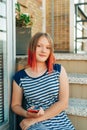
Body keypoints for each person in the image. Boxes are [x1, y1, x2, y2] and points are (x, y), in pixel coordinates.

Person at [11, 32, 75, 130]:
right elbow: (15, 105)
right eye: (39, 46)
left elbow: (63, 103)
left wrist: (34, 120)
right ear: (32, 48)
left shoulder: (58, 70)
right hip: (36, 124)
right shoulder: (20, 77)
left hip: (60, 120)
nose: (43, 50)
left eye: (48, 47)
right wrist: (26, 114)